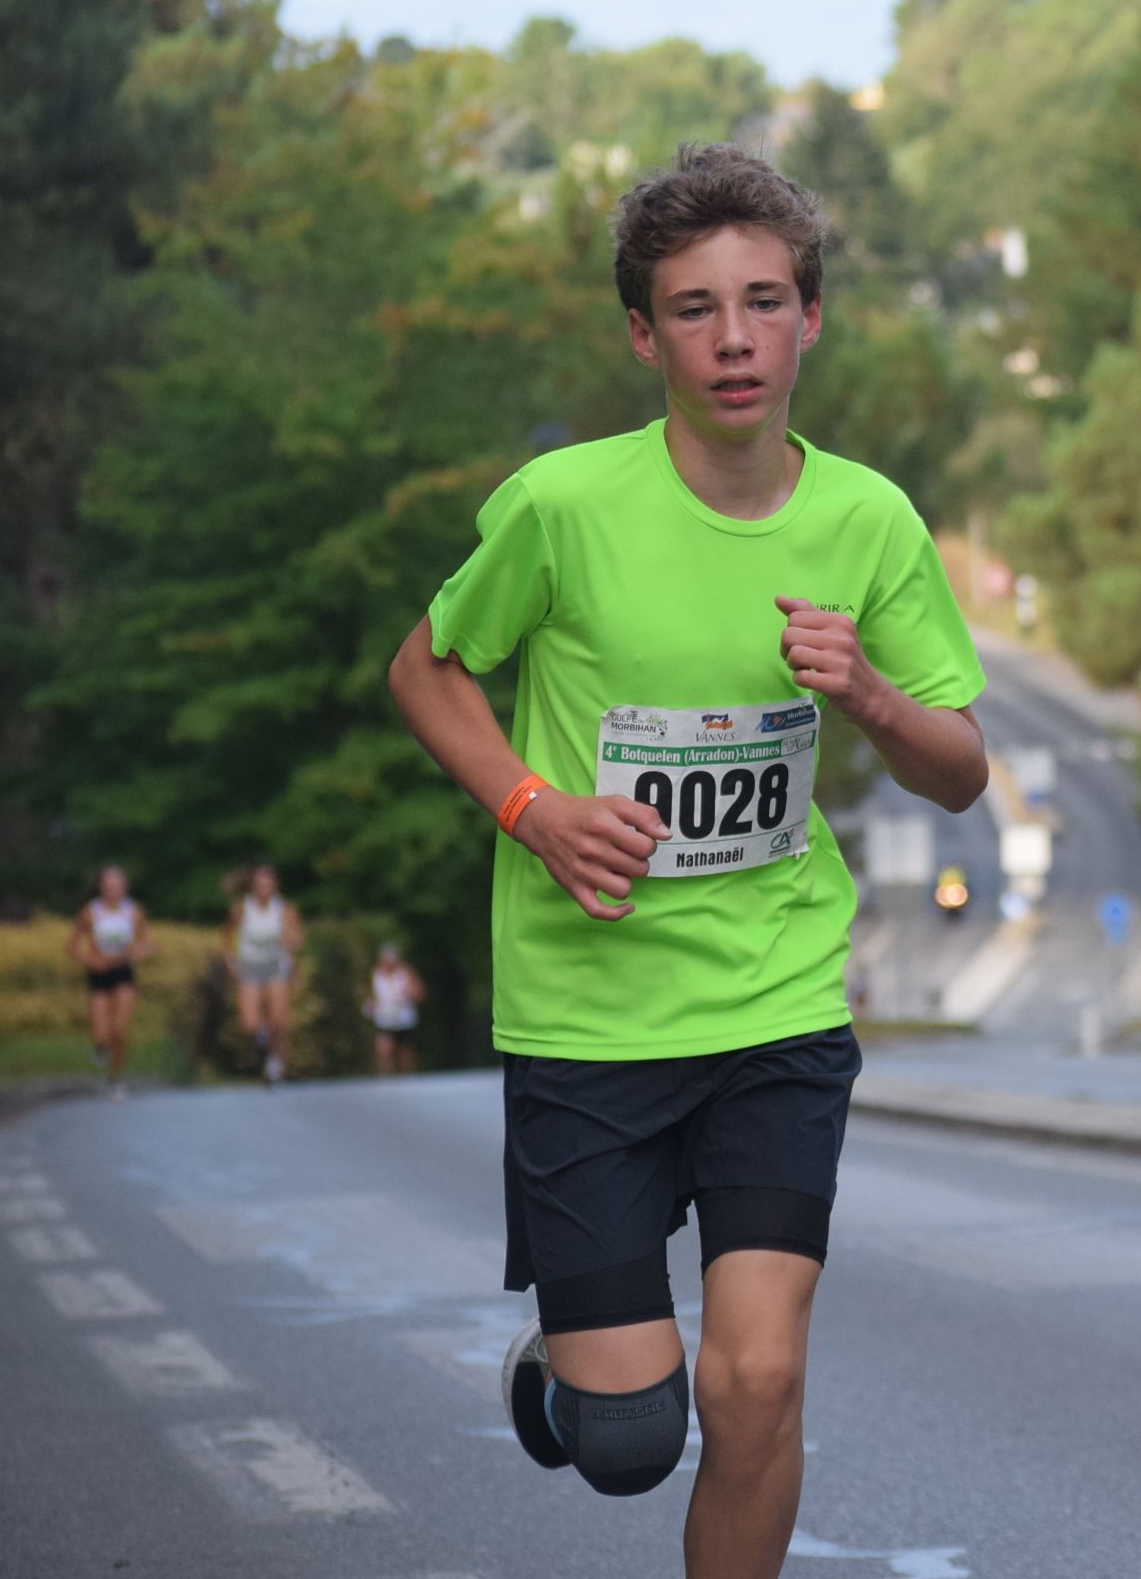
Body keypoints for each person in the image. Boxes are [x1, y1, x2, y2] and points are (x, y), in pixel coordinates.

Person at [387, 142, 989, 1579]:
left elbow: (961, 768)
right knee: (630, 1438)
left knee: (758, 1382)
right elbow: (425, 671)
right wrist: (533, 806)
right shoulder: (562, 507)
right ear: (642, 335)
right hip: (588, 1017)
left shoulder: (868, 520)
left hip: (775, 1006)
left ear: (810, 319)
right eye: (695, 308)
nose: (734, 338)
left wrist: (870, 696)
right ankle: (568, 1371)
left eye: (764, 301)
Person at [65, 865, 149, 1099]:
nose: (114, 891)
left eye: (118, 887)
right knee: (102, 1034)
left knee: (120, 1031)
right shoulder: (90, 912)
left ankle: (116, 1077)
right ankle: (101, 1046)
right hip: (99, 974)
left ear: (125, 888)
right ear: (101, 888)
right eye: (109, 887)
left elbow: (144, 942)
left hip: (123, 972)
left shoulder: (134, 911)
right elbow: (72, 946)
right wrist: (91, 961)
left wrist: (138, 952)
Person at [222, 861, 305, 1085]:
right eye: (260, 885)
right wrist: (230, 962)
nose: (264, 890)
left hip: (275, 965)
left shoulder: (284, 910)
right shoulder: (241, 909)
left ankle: (275, 1063)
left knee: (279, 1021)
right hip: (250, 966)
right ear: (253, 887)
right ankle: (262, 1042)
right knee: (250, 1024)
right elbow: (227, 939)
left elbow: (295, 938)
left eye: (268, 885)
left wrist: (295, 955)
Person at [366, 942, 426, 1076]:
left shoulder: (406, 972)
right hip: (385, 1019)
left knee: (405, 1052)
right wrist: (371, 1006)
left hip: (404, 1019)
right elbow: (372, 996)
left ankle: (407, 1078)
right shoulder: (376, 974)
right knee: (384, 1049)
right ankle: (387, 1079)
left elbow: (419, 993)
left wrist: (411, 993)